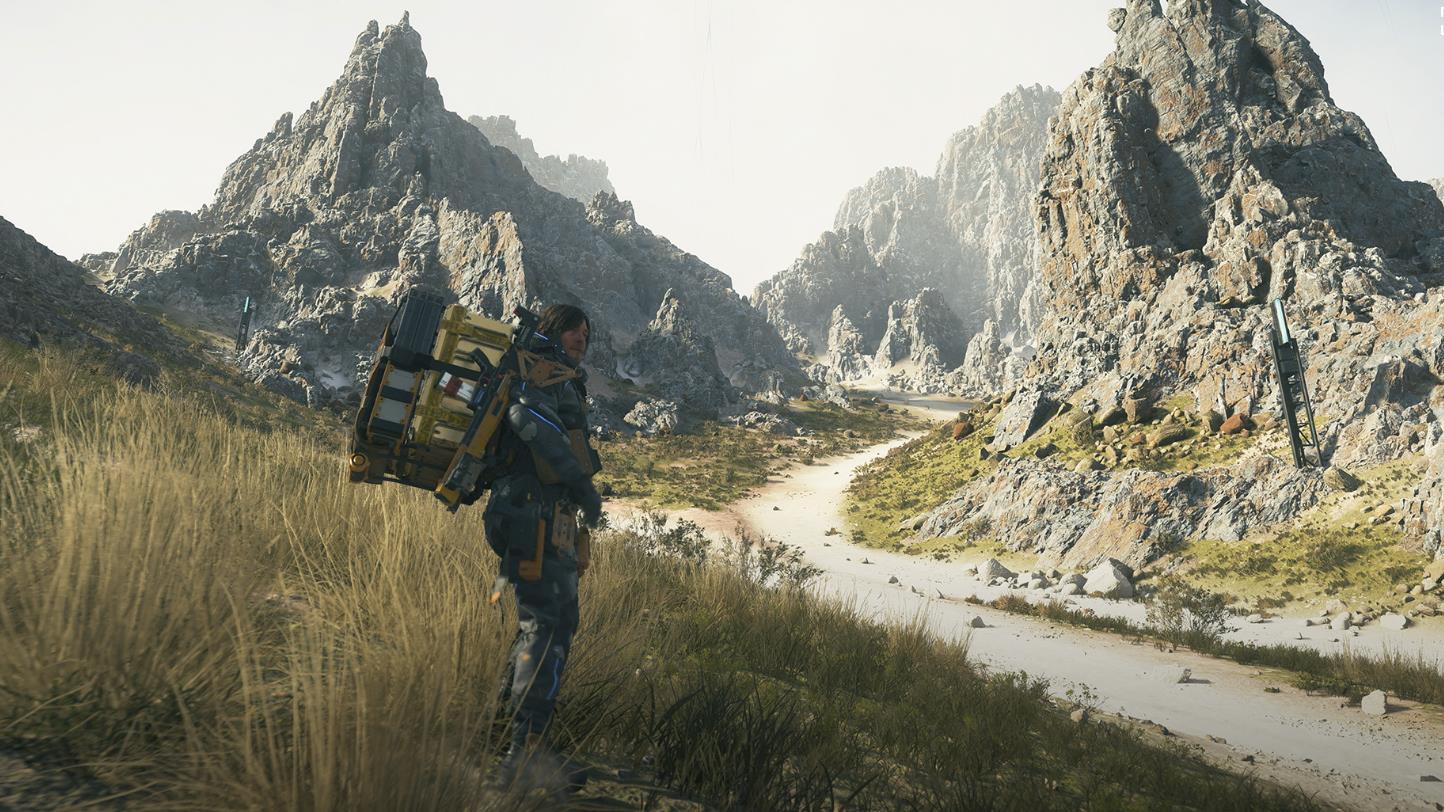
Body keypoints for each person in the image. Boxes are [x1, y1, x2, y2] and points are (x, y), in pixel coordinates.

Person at [485, 303, 603, 794]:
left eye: (587, 332)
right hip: (532, 512)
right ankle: (522, 755)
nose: (581, 337)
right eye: (573, 329)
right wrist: (581, 484)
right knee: (547, 627)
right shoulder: (540, 370)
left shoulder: (556, 375)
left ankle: (510, 739)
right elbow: (527, 417)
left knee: (546, 625)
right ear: (553, 330)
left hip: (541, 515)